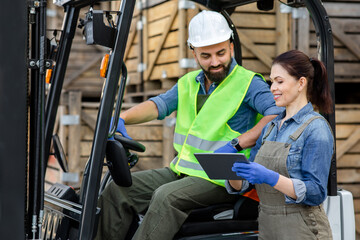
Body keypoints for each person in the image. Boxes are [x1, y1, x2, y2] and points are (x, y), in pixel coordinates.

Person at [95, 10, 282, 240]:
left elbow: (278, 113)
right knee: (117, 190)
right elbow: (159, 105)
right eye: (206, 56)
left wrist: (239, 143)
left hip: (221, 179)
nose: (215, 62)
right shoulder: (187, 84)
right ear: (193, 52)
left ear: (231, 47)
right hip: (182, 171)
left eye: (221, 53)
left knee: (166, 197)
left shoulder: (249, 83)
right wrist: (120, 119)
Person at [227, 50, 334, 239]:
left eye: (279, 81)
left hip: (302, 229)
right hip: (268, 228)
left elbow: (316, 192)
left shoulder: (316, 128)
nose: (272, 88)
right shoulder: (270, 128)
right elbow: (246, 185)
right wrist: (232, 173)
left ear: (301, 83)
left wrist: (271, 177)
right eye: (272, 82)